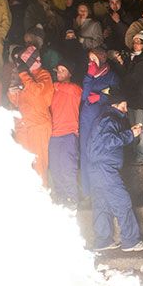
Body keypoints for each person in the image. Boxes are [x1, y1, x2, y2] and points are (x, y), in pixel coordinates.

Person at [86, 87, 143, 252]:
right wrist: (131, 134)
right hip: (105, 168)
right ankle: (130, 241)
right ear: (115, 105)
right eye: (123, 106)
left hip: (96, 167)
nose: (126, 110)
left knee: (102, 204)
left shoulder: (105, 117)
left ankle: (103, 241)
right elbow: (107, 141)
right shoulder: (110, 119)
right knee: (122, 201)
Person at [79, 48, 120, 196]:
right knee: (85, 152)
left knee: (100, 151)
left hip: (102, 117)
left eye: (94, 59)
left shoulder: (111, 76)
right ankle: (87, 191)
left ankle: (102, 189)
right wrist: (89, 75)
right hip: (87, 117)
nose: (92, 62)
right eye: (90, 60)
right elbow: (84, 96)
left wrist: (100, 98)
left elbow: (116, 95)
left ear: (102, 60)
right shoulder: (89, 76)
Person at [11, 46, 53, 186]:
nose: (19, 66)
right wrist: (12, 92)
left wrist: (24, 75)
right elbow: (17, 102)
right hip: (23, 125)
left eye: (22, 62)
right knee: (23, 163)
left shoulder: (44, 75)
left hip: (38, 126)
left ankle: (42, 195)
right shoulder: (24, 75)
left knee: (38, 163)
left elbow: (38, 93)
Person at [48, 61, 82, 209]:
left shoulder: (75, 89)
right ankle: (61, 198)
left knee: (68, 168)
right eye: (58, 71)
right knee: (55, 169)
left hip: (69, 134)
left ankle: (72, 199)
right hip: (53, 134)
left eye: (63, 70)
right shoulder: (53, 90)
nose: (59, 73)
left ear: (70, 73)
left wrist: (50, 84)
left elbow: (75, 90)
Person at [118, 31, 143, 165]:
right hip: (132, 98)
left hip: (140, 98)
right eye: (135, 42)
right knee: (133, 127)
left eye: (139, 43)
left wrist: (123, 73)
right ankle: (135, 154)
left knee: (141, 126)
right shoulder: (132, 59)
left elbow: (134, 78)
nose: (136, 45)